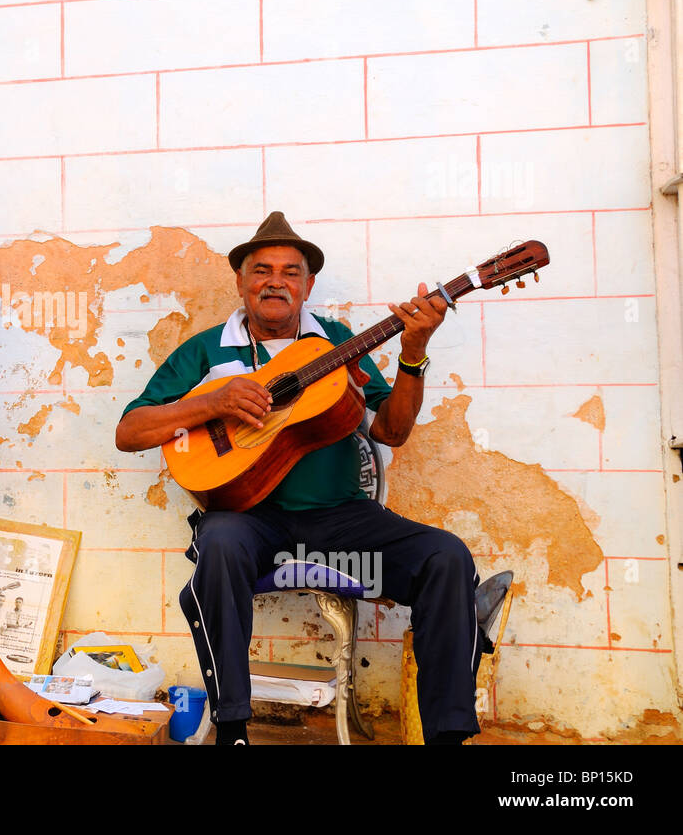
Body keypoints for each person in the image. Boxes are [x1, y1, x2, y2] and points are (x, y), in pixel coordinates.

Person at [116, 211, 500, 746]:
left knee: (447, 556)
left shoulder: (338, 343)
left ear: (308, 285)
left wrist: (413, 353)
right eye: (262, 269)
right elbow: (130, 430)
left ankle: (447, 735)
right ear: (241, 281)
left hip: (343, 526)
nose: (276, 280)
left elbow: (391, 431)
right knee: (219, 541)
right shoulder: (205, 350)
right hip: (251, 524)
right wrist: (213, 401)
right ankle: (233, 729)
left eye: (291, 271)